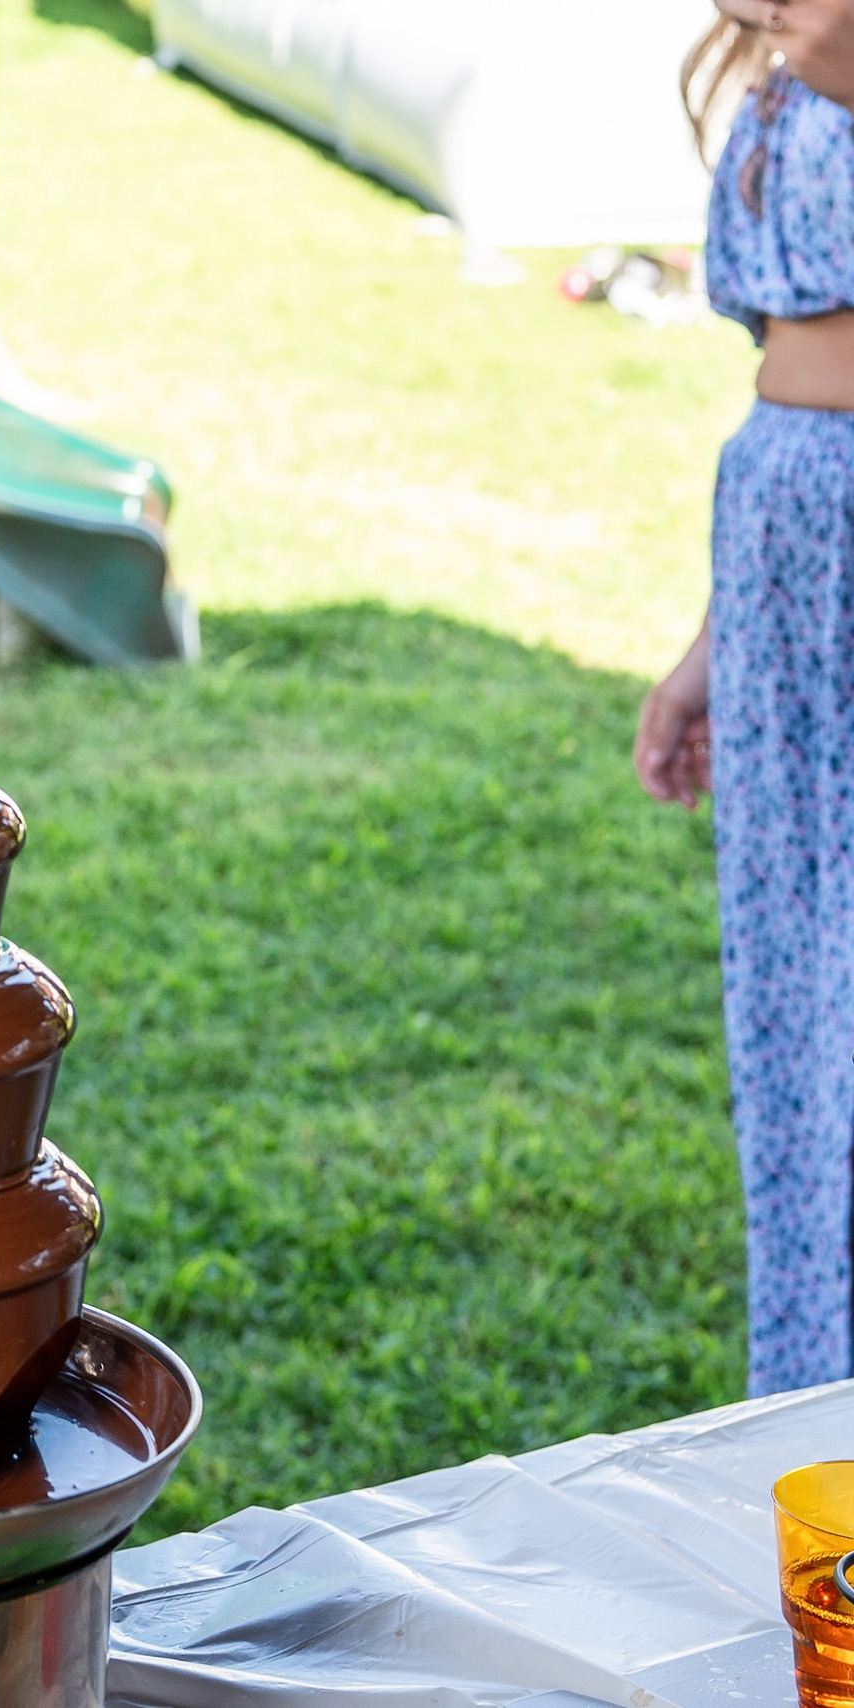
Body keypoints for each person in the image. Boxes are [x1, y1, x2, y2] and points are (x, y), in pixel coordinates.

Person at [636, 0, 854, 1394]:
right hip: (780, 542)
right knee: (790, 989)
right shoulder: (775, 84)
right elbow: (782, 366)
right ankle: (820, 1405)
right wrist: (711, 642)